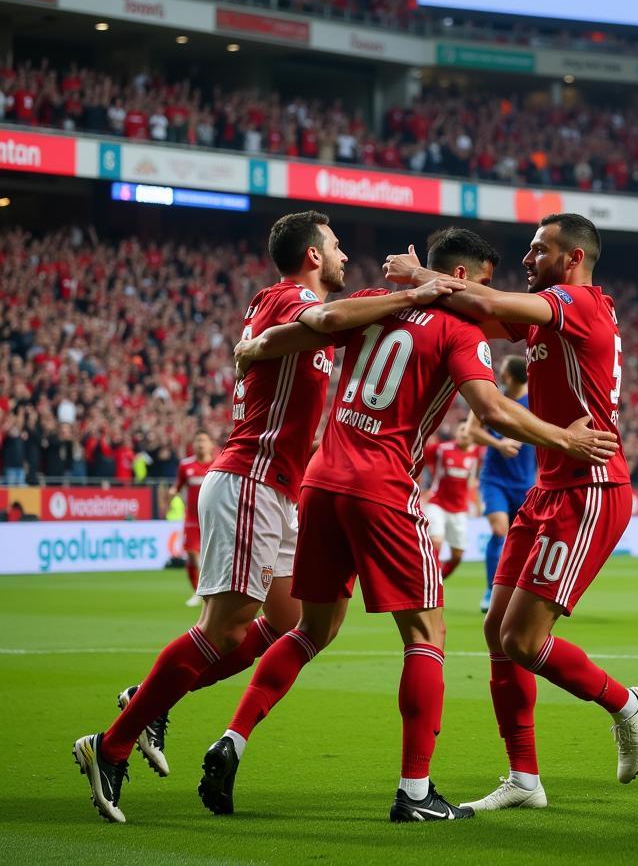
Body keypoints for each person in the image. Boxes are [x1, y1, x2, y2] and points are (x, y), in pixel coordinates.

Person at [197, 226, 618, 824]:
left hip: (319, 482)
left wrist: (256, 347)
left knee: (309, 630)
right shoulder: (459, 328)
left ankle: (232, 738)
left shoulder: (373, 304)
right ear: (465, 278)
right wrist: (564, 438)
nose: (490, 291)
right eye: (487, 280)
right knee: (427, 636)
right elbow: (493, 410)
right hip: (383, 486)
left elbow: (313, 327)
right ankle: (415, 793)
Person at [72, 210, 461, 824]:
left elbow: (282, 344)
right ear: (311, 254)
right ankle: (113, 742)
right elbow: (327, 321)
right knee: (225, 629)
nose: (341, 257)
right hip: (250, 478)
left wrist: (254, 347)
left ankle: (147, 701)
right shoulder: (294, 297)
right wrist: (416, 291)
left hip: (281, 489)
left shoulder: (284, 311)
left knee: (288, 623)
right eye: (334, 247)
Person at [385, 213, 638, 813]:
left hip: (590, 486)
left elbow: (486, 297)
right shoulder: (548, 316)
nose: (528, 259)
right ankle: (524, 778)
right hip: (551, 486)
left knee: (524, 639)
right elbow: (484, 311)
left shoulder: (577, 301)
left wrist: (419, 272)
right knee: (497, 634)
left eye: (540, 250)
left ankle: (626, 703)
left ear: (574, 259)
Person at [466, 354, 536, 613]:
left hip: (525, 482)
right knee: (499, 530)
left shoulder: (537, 400)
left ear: (507, 376)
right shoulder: (492, 397)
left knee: (524, 540)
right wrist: (499, 443)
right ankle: (489, 589)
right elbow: (470, 431)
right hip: (494, 479)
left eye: (502, 370)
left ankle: (516, 592)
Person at [422, 422, 480, 580]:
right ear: (456, 433)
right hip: (437, 503)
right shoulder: (442, 449)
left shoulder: (476, 454)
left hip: (460, 509)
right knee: (436, 541)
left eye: (469, 431)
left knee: (458, 555)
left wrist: (476, 503)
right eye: (462, 430)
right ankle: (429, 580)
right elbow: (420, 457)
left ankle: (438, 580)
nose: (465, 434)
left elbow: (472, 481)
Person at [168, 429, 217, 607]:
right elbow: (178, 486)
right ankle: (199, 591)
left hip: (214, 517)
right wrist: (171, 493)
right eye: (197, 441)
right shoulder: (185, 466)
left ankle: (210, 590)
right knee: (191, 553)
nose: (200, 444)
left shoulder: (219, 463)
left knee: (211, 555)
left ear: (211, 444)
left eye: (203, 441)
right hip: (192, 517)